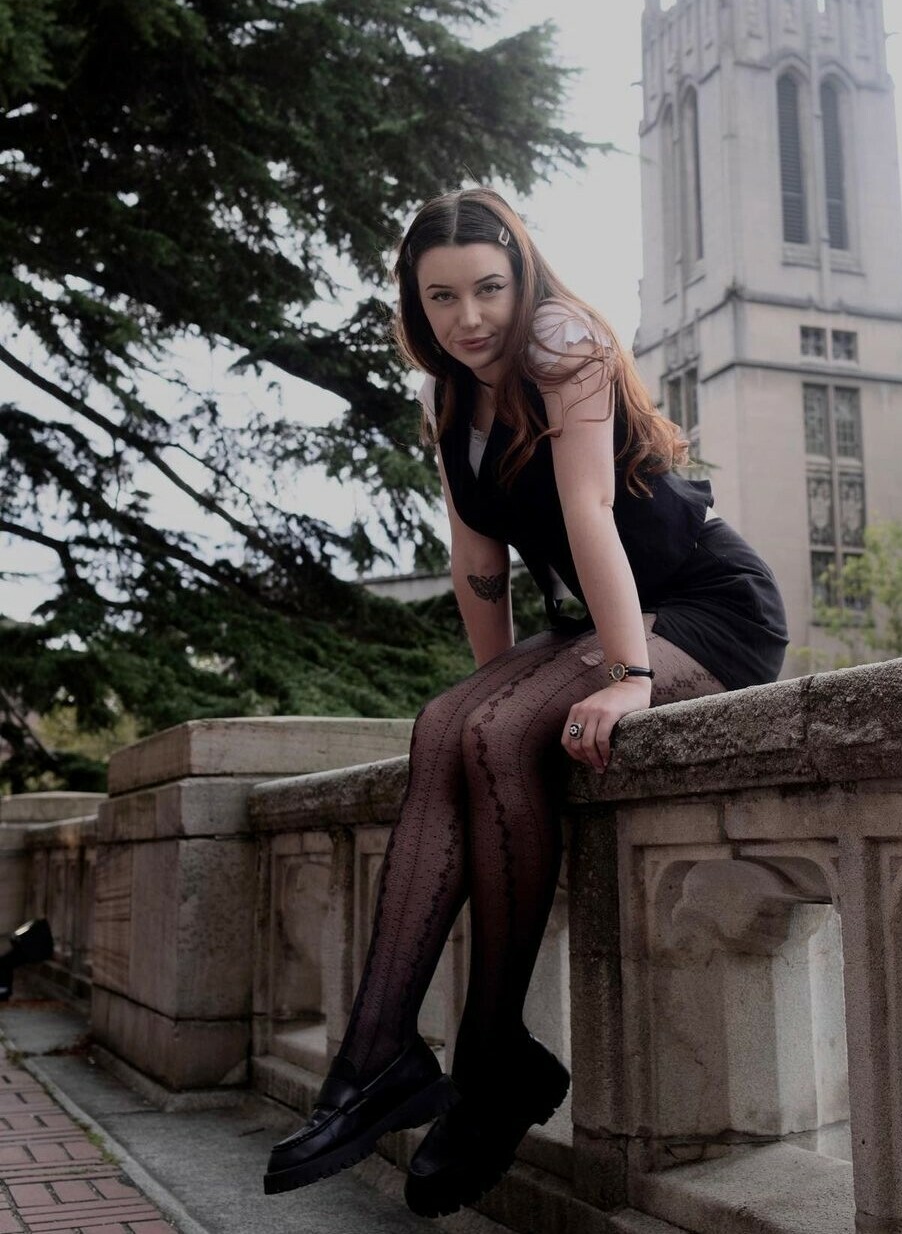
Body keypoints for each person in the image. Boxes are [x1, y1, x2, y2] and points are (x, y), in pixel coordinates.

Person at [263, 187, 788, 1216]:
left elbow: (587, 508)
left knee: (499, 729)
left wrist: (628, 678)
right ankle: (377, 1057)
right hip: (609, 612)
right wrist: (487, 693)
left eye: (489, 288)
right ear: (416, 303)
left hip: (701, 606)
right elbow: (479, 565)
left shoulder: (563, 342)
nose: (470, 317)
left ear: (522, 277)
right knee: (448, 725)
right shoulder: (447, 396)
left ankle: (487, 1056)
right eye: (443, 297)